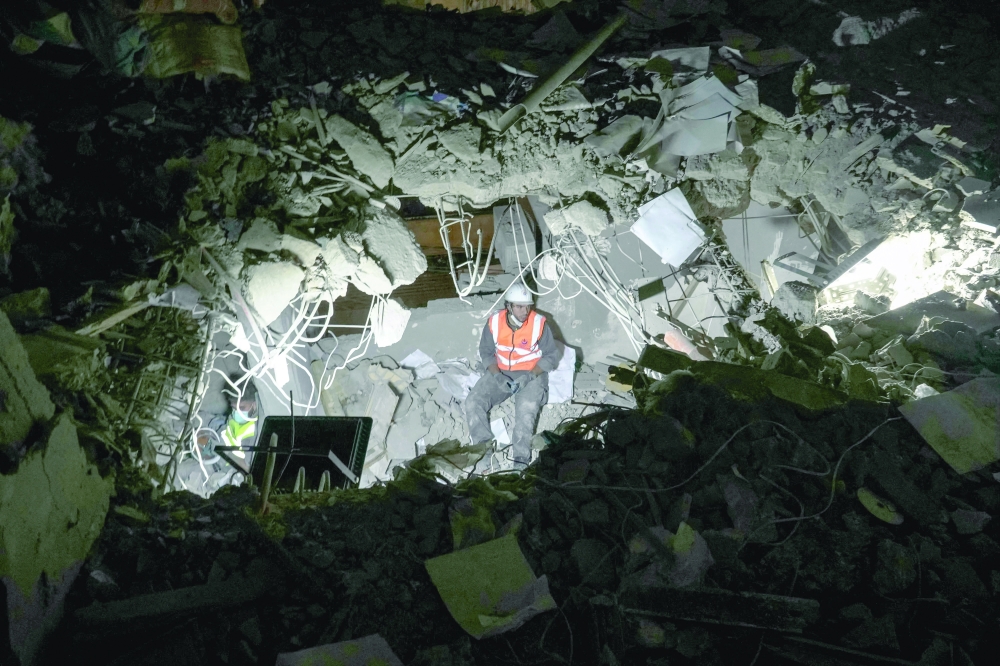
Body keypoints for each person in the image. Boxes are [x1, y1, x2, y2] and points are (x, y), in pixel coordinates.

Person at [464, 281, 560, 470]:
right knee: (473, 402)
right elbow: (486, 352)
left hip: (530, 374)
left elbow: (551, 356)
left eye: (528, 306)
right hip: (501, 371)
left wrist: (530, 376)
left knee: (526, 410)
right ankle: (484, 452)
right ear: (508, 306)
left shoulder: (539, 324)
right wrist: (497, 376)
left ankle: (520, 460)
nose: (525, 311)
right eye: (519, 306)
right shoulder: (494, 322)